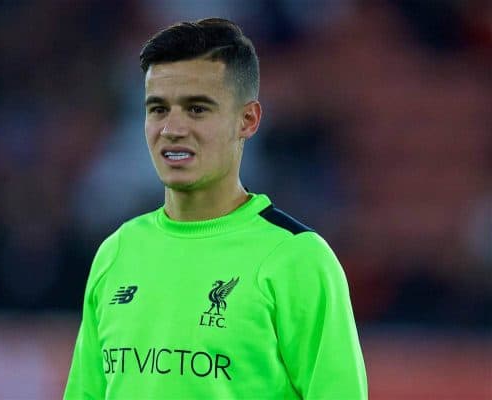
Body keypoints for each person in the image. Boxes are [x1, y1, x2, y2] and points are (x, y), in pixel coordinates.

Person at [64, 18, 367, 399]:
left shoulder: (297, 259)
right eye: (158, 109)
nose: (172, 128)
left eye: (196, 109)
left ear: (248, 119)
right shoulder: (116, 252)